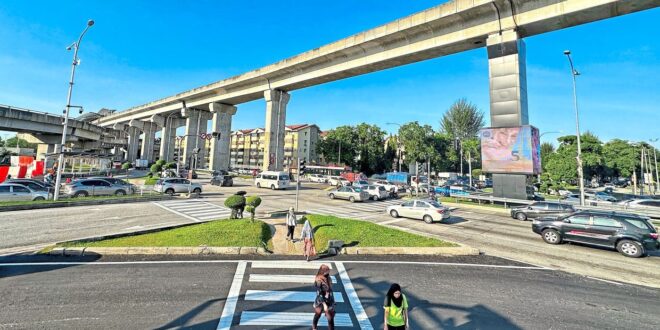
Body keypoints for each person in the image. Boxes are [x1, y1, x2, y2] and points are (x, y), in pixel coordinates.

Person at [313, 264, 335, 330]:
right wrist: (324, 305)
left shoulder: (328, 278)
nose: (328, 274)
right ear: (322, 272)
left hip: (329, 299)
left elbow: (330, 289)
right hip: (320, 301)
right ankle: (314, 328)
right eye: (327, 272)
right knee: (318, 314)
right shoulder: (318, 280)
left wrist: (333, 300)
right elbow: (319, 293)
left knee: (330, 318)